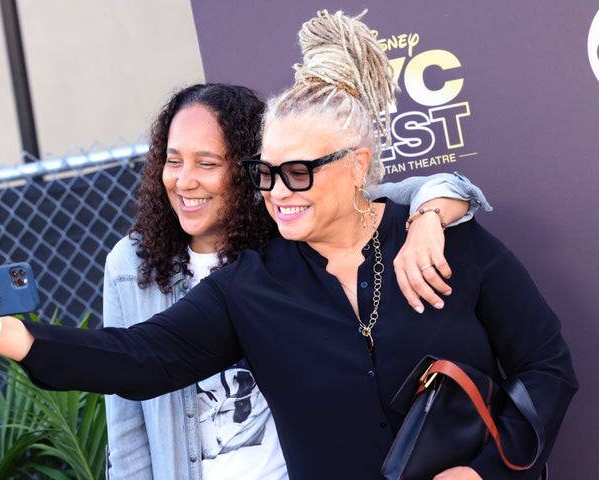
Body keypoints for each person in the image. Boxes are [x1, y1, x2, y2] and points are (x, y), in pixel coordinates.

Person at [0, 10, 577, 480]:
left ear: (357, 166)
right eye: (265, 174)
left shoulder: (447, 244)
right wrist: (4, 335)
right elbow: (140, 357)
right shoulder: (251, 284)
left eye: (298, 172)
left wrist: (487, 472)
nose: (277, 192)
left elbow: (546, 367)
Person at [102, 83, 487, 480]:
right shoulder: (131, 265)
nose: (184, 181)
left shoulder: (290, 229)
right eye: (173, 161)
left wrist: (428, 218)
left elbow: (423, 190)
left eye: (207, 163)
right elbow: (127, 421)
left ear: (249, 169)